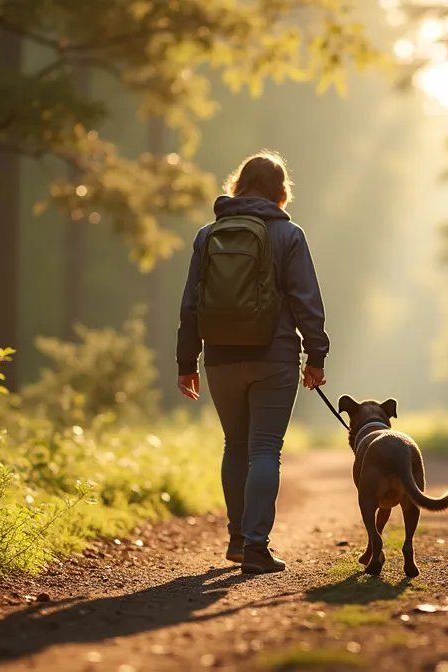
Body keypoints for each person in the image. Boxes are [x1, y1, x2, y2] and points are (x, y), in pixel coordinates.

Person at [175, 151, 329, 575]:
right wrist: (316, 354)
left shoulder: (208, 235)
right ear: (281, 192)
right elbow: (305, 300)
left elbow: (191, 305)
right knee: (264, 449)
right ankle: (257, 547)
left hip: (221, 357)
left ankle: (239, 540)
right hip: (273, 356)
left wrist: (186, 361)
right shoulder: (289, 235)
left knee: (236, 446)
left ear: (237, 186)